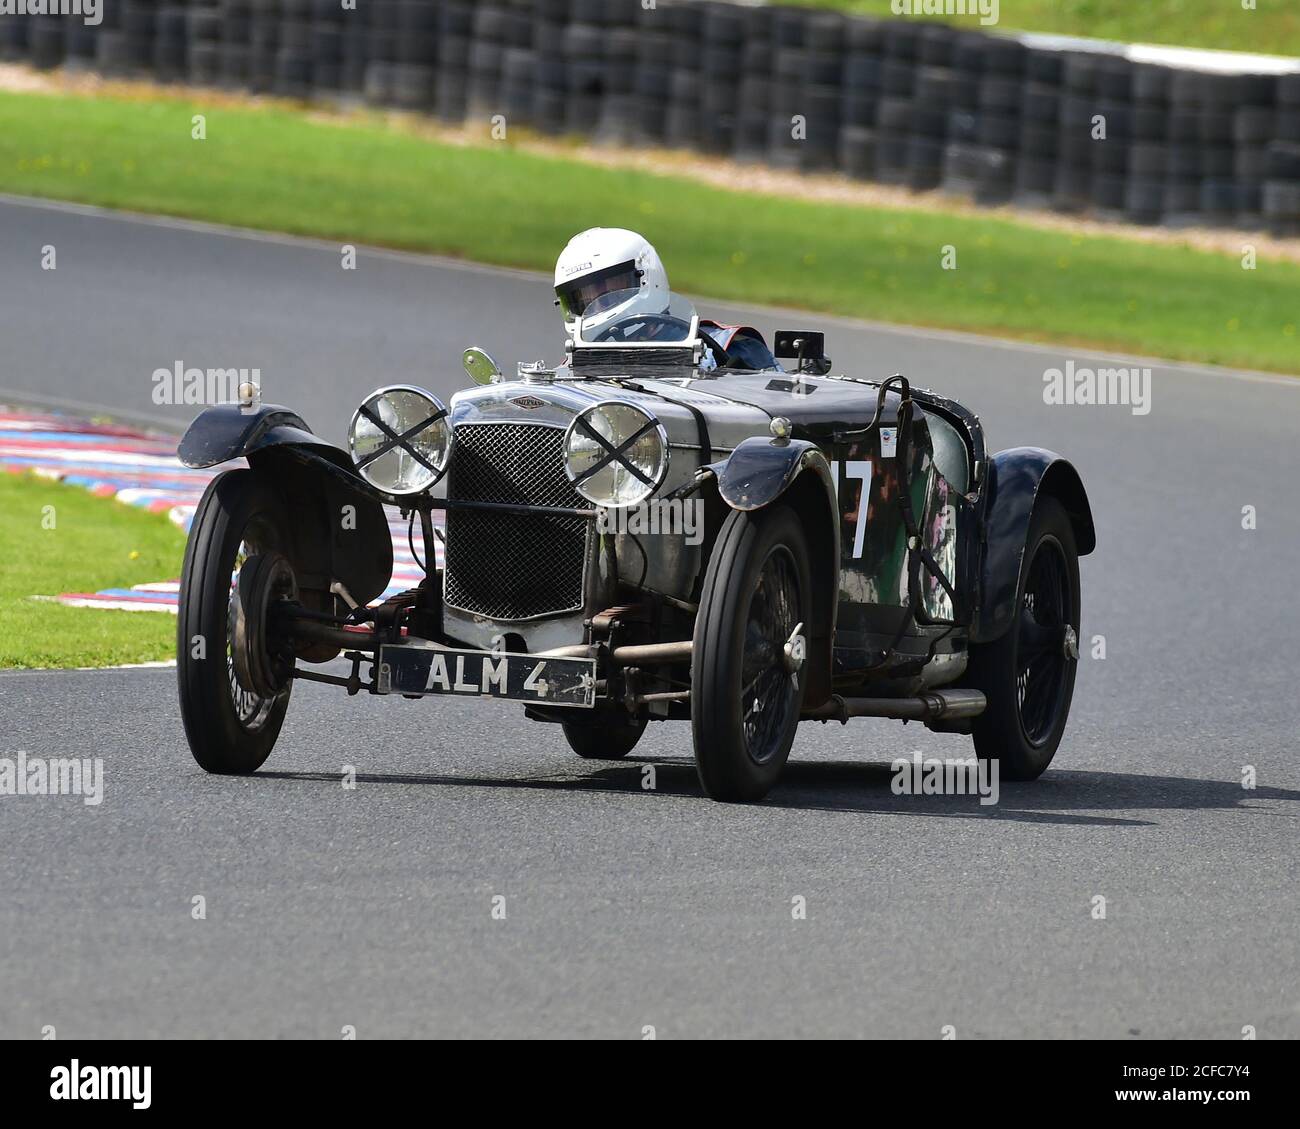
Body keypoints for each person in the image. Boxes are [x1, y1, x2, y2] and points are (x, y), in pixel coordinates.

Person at [553, 227, 780, 371]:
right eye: (584, 300)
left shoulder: (727, 347)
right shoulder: (571, 371)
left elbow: (777, 420)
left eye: (609, 292)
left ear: (647, 277)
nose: (597, 305)